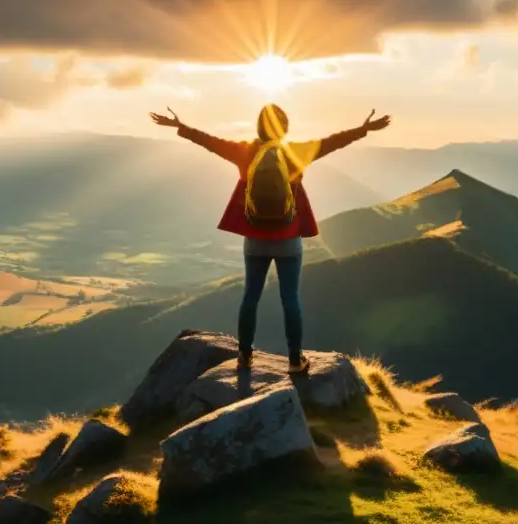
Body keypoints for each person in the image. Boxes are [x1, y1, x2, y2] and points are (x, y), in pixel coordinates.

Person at [149, 103, 391, 373]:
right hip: (288, 240)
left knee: (250, 296)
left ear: (258, 127)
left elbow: (209, 141)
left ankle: (244, 355)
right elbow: (333, 142)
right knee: (290, 298)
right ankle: (295, 360)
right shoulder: (296, 152)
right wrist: (364, 129)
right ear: (285, 128)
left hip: (254, 240)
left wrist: (180, 127)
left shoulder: (245, 152)